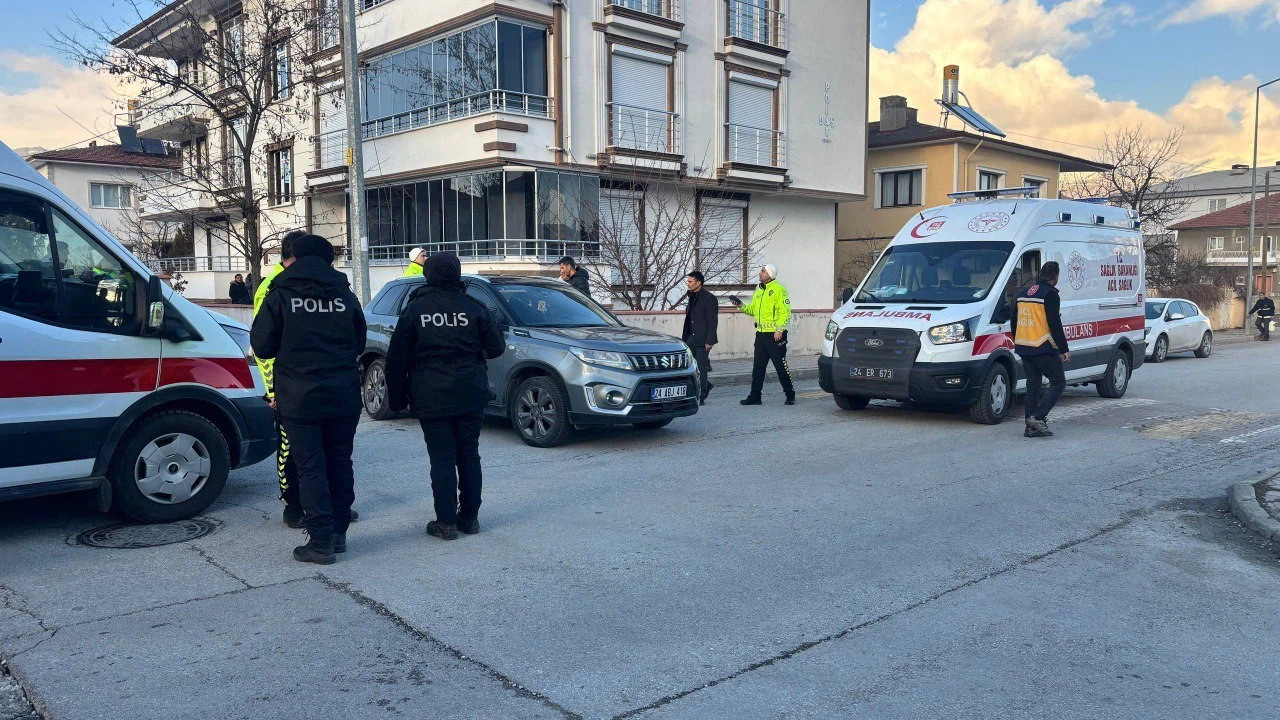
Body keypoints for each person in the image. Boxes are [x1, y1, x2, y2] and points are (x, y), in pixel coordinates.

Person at [250, 235, 366, 564]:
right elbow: (359, 340)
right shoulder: (344, 294)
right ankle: (339, 535)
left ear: (296, 259)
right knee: (340, 462)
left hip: (300, 396)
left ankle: (320, 541)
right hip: (343, 393)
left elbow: (262, 345)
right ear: (329, 261)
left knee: (311, 466)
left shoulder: (281, 294)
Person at [385, 252, 504, 541]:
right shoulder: (474, 307)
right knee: (469, 454)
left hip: (431, 392)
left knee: (441, 458)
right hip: (470, 391)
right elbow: (496, 346)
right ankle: (470, 518)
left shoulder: (416, 309)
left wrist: (397, 399)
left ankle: (446, 523)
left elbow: (396, 358)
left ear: (429, 275)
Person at [255, 231, 304, 528]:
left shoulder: (301, 282)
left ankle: (322, 501)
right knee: (289, 449)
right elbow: (263, 348)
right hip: (285, 385)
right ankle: (293, 504)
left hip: (308, 382)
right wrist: (273, 391)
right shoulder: (271, 287)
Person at [1014, 261, 1071, 438]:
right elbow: (1054, 323)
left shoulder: (1022, 293)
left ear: (1041, 275)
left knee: (1033, 386)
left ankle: (1030, 428)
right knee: (1058, 382)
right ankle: (1037, 418)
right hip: (1042, 346)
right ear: (1056, 277)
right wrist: (1064, 348)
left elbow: (1014, 320)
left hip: (1024, 345)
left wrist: (1018, 339)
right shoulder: (1050, 294)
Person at [733, 264, 795, 406]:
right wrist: (741, 305)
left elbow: (785, 312)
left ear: (770, 274)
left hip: (775, 336)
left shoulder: (779, 290)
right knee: (758, 367)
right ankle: (755, 396)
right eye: (761, 271)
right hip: (761, 335)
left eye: (763, 271)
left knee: (780, 366)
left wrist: (780, 329)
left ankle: (790, 393)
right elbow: (753, 310)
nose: (760, 273)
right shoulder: (759, 290)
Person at [681, 271, 718, 405]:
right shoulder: (692, 296)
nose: (688, 284)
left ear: (699, 283)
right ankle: (705, 385)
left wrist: (710, 340)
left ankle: (701, 395)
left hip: (703, 339)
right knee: (690, 366)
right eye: (688, 281)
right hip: (690, 338)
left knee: (701, 368)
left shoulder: (709, 298)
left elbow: (713, 321)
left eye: (690, 282)